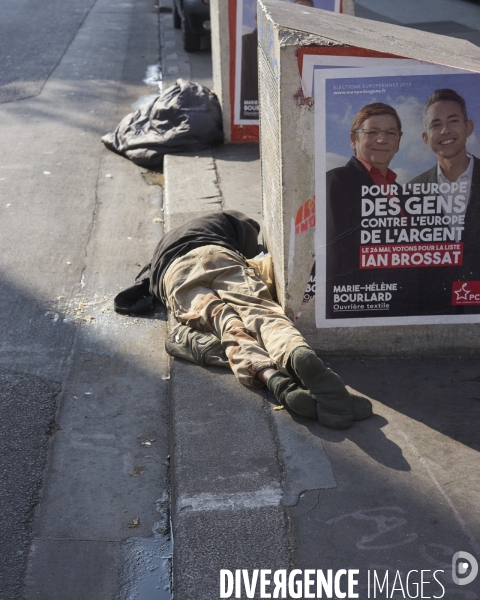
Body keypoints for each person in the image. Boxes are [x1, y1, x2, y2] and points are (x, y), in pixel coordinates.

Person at [146, 210, 372, 430]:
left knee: (227, 326)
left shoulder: (165, 248)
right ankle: (294, 352)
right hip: (219, 255)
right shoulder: (230, 220)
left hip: (175, 274)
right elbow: (250, 237)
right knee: (259, 311)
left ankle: (276, 381)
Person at [326, 102, 414, 318]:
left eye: (390, 133)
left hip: (404, 303)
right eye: (372, 132)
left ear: (398, 143)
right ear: (353, 140)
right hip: (362, 306)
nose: (382, 139)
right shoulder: (337, 181)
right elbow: (337, 254)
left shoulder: (403, 193)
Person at [409, 89, 480, 314]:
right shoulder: (411, 191)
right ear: (426, 137)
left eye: (453, 121)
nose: (445, 130)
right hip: (433, 315)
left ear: (468, 127)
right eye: (435, 124)